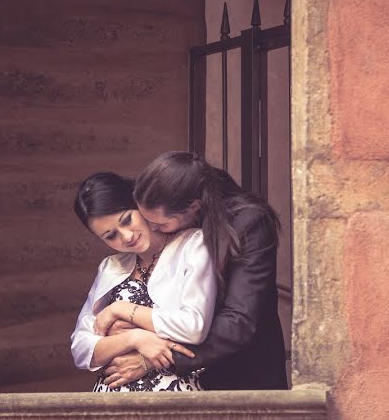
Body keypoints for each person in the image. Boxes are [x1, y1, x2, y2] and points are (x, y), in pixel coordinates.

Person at [102, 151, 289, 390]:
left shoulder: (249, 224)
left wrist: (155, 357)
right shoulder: (172, 217)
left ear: (193, 208)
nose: (151, 229)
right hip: (176, 383)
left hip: (237, 377)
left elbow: (238, 322)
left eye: (159, 224)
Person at [69, 172, 217, 391]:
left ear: (138, 203)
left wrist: (120, 309)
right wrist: (135, 339)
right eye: (111, 236)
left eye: (127, 220)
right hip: (109, 401)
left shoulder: (193, 245)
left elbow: (193, 327)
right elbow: (81, 349)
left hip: (174, 397)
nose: (126, 237)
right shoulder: (110, 267)